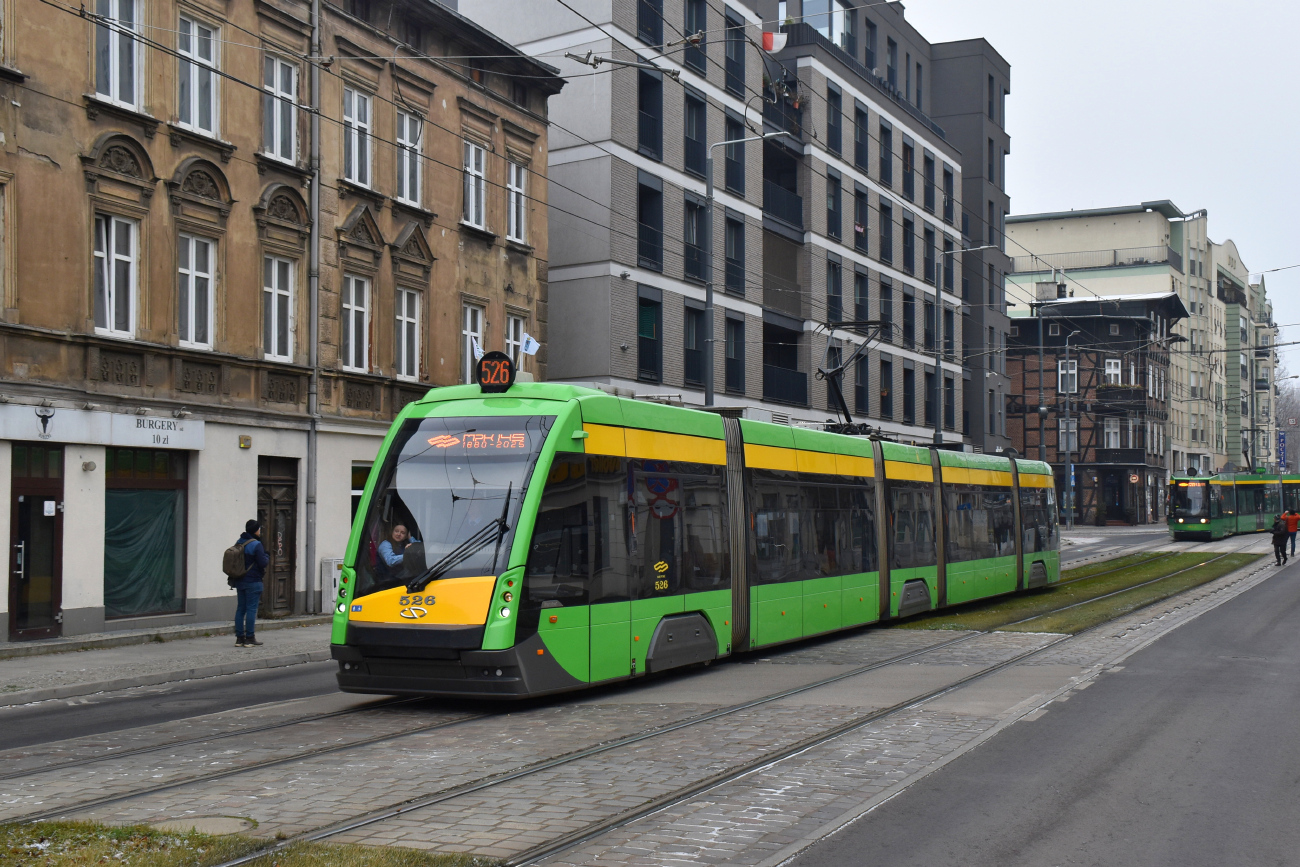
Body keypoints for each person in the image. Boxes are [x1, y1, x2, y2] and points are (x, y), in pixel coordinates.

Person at [232, 519, 270, 647]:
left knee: (240, 609)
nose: (260, 531)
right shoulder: (256, 544)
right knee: (251, 609)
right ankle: (249, 638)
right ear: (256, 530)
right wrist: (267, 556)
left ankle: (239, 638)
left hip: (240, 580)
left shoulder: (239, 542)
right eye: (259, 529)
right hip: (253, 581)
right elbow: (262, 562)